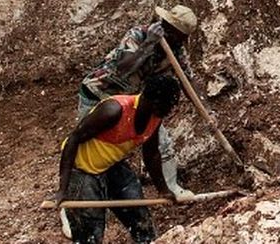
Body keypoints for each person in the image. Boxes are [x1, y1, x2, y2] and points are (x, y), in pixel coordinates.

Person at [78, 5, 199, 203]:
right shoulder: (138, 35)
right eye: (173, 32)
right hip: (100, 93)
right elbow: (123, 67)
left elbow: (189, 81)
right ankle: (74, 202)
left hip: (132, 101)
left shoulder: (176, 51)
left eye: (181, 36)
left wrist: (206, 109)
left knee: (162, 143)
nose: (179, 40)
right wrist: (148, 45)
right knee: (87, 145)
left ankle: (171, 187)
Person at [54, 75, 186, 244]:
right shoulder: (114, 110)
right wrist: (63, 190)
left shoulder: (155, 116)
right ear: (152, 100)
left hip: (111, 164)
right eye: (166, 106)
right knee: (89, 232)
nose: (168, 112)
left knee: (139, 217)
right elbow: (73, 140)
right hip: (82, 169)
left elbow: (151, 154)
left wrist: (163, 189)